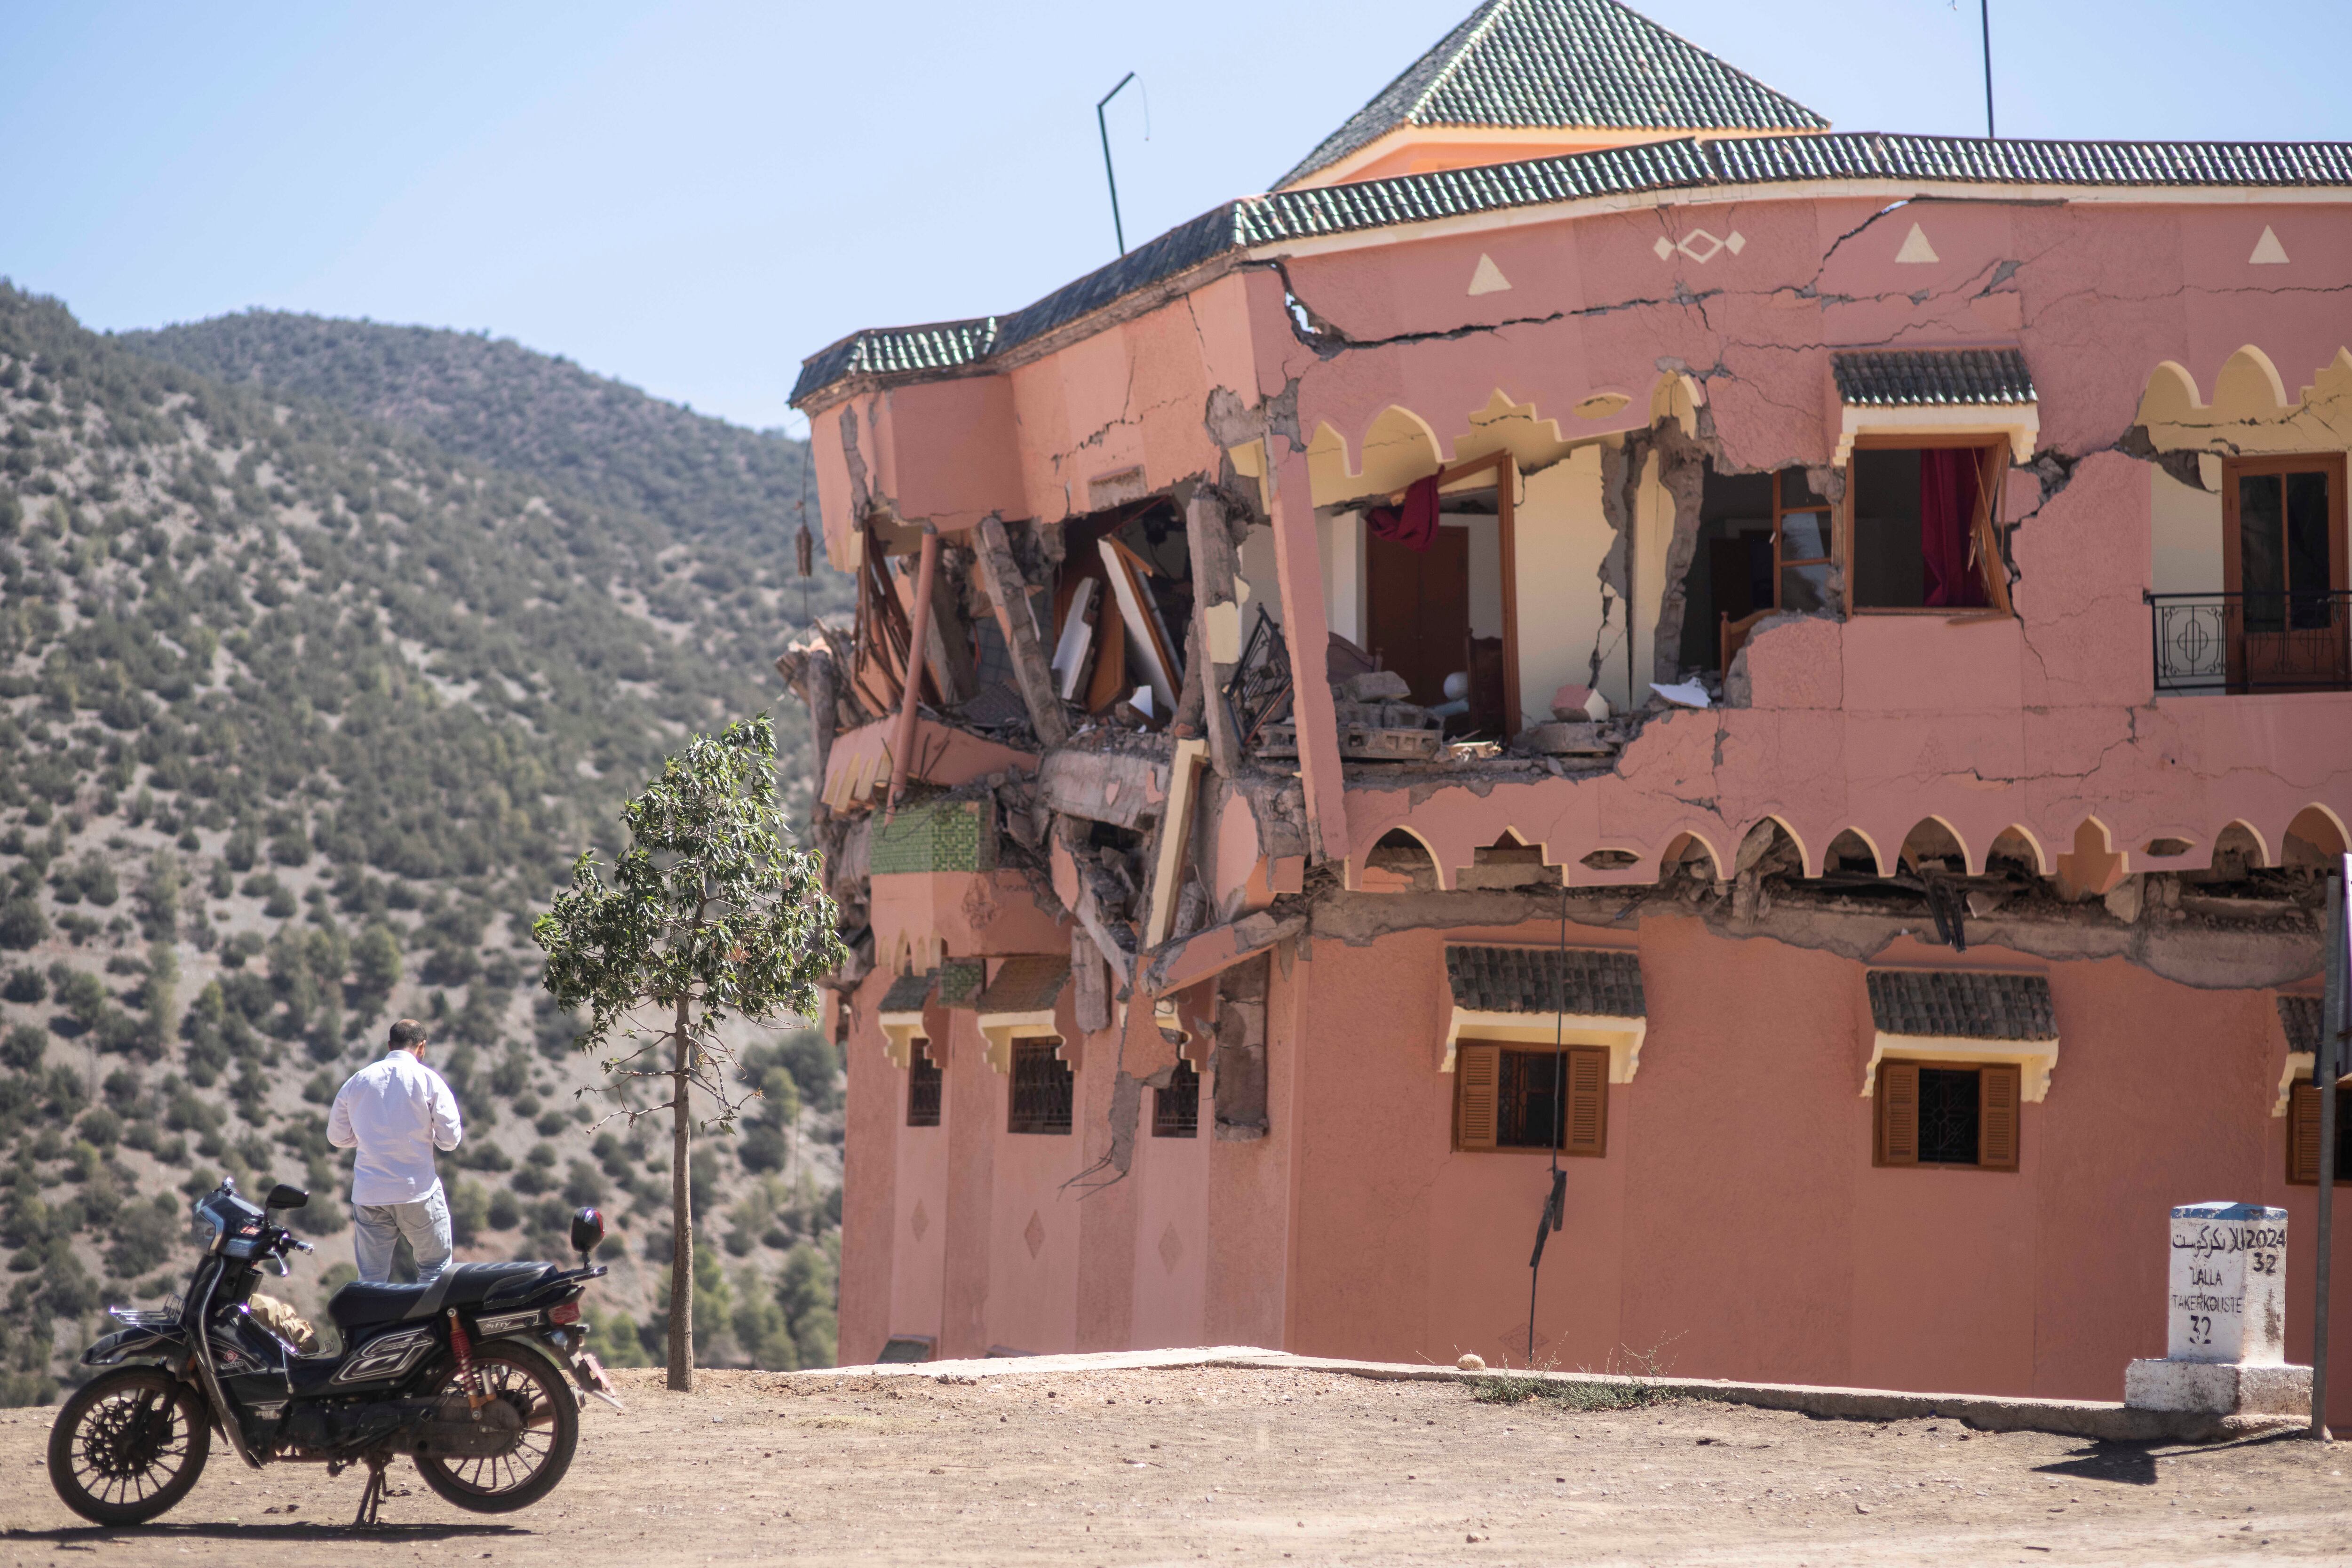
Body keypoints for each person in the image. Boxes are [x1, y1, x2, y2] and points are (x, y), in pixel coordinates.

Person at [327, 1018, 464, 1285]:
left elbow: (337, 1137)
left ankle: (372, 1327)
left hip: (370, 1194)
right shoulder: (429, 1081)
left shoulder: (358, 1081)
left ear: (390, 1045)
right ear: (422, 1047)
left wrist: (373, 1138)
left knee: (371, 1279)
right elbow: (450, 1141)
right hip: (418, 1192)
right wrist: (427, 1133)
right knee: (436, 1271)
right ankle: (429, 1326)